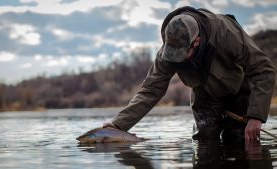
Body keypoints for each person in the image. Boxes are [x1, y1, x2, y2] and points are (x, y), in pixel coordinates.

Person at [103, 6, 275, 141]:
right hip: (205, 96)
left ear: (197, 41)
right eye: (173, 54)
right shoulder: (167, 52)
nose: (177, 60)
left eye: (182, 54)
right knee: (204, 141)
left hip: (239, 90)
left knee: (240, 140)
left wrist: (256, 117)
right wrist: (117, 126)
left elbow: (263, 70)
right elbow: (150, 90)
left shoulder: (226, 32)